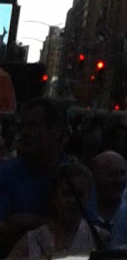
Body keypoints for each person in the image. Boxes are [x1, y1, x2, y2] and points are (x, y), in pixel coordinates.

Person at [0, 99, 71, 254]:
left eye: (32, 126)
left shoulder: (73, 175)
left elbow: (83, 228)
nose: (25, 132)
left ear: (56, 130)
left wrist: (25, 221)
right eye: (22, 126)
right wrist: (46, 223)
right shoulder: (6, 173)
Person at [9, 161, 95, 259]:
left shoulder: (100, 238)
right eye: (67, 193)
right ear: (55, 197)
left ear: (88, 198)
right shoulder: (32, 241)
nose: (73, 200)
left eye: (80, 194)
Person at [87, 151, 127, 234]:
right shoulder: (82, 213)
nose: (119, 180)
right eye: (112, 174)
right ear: (94, 176)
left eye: (122, 173)